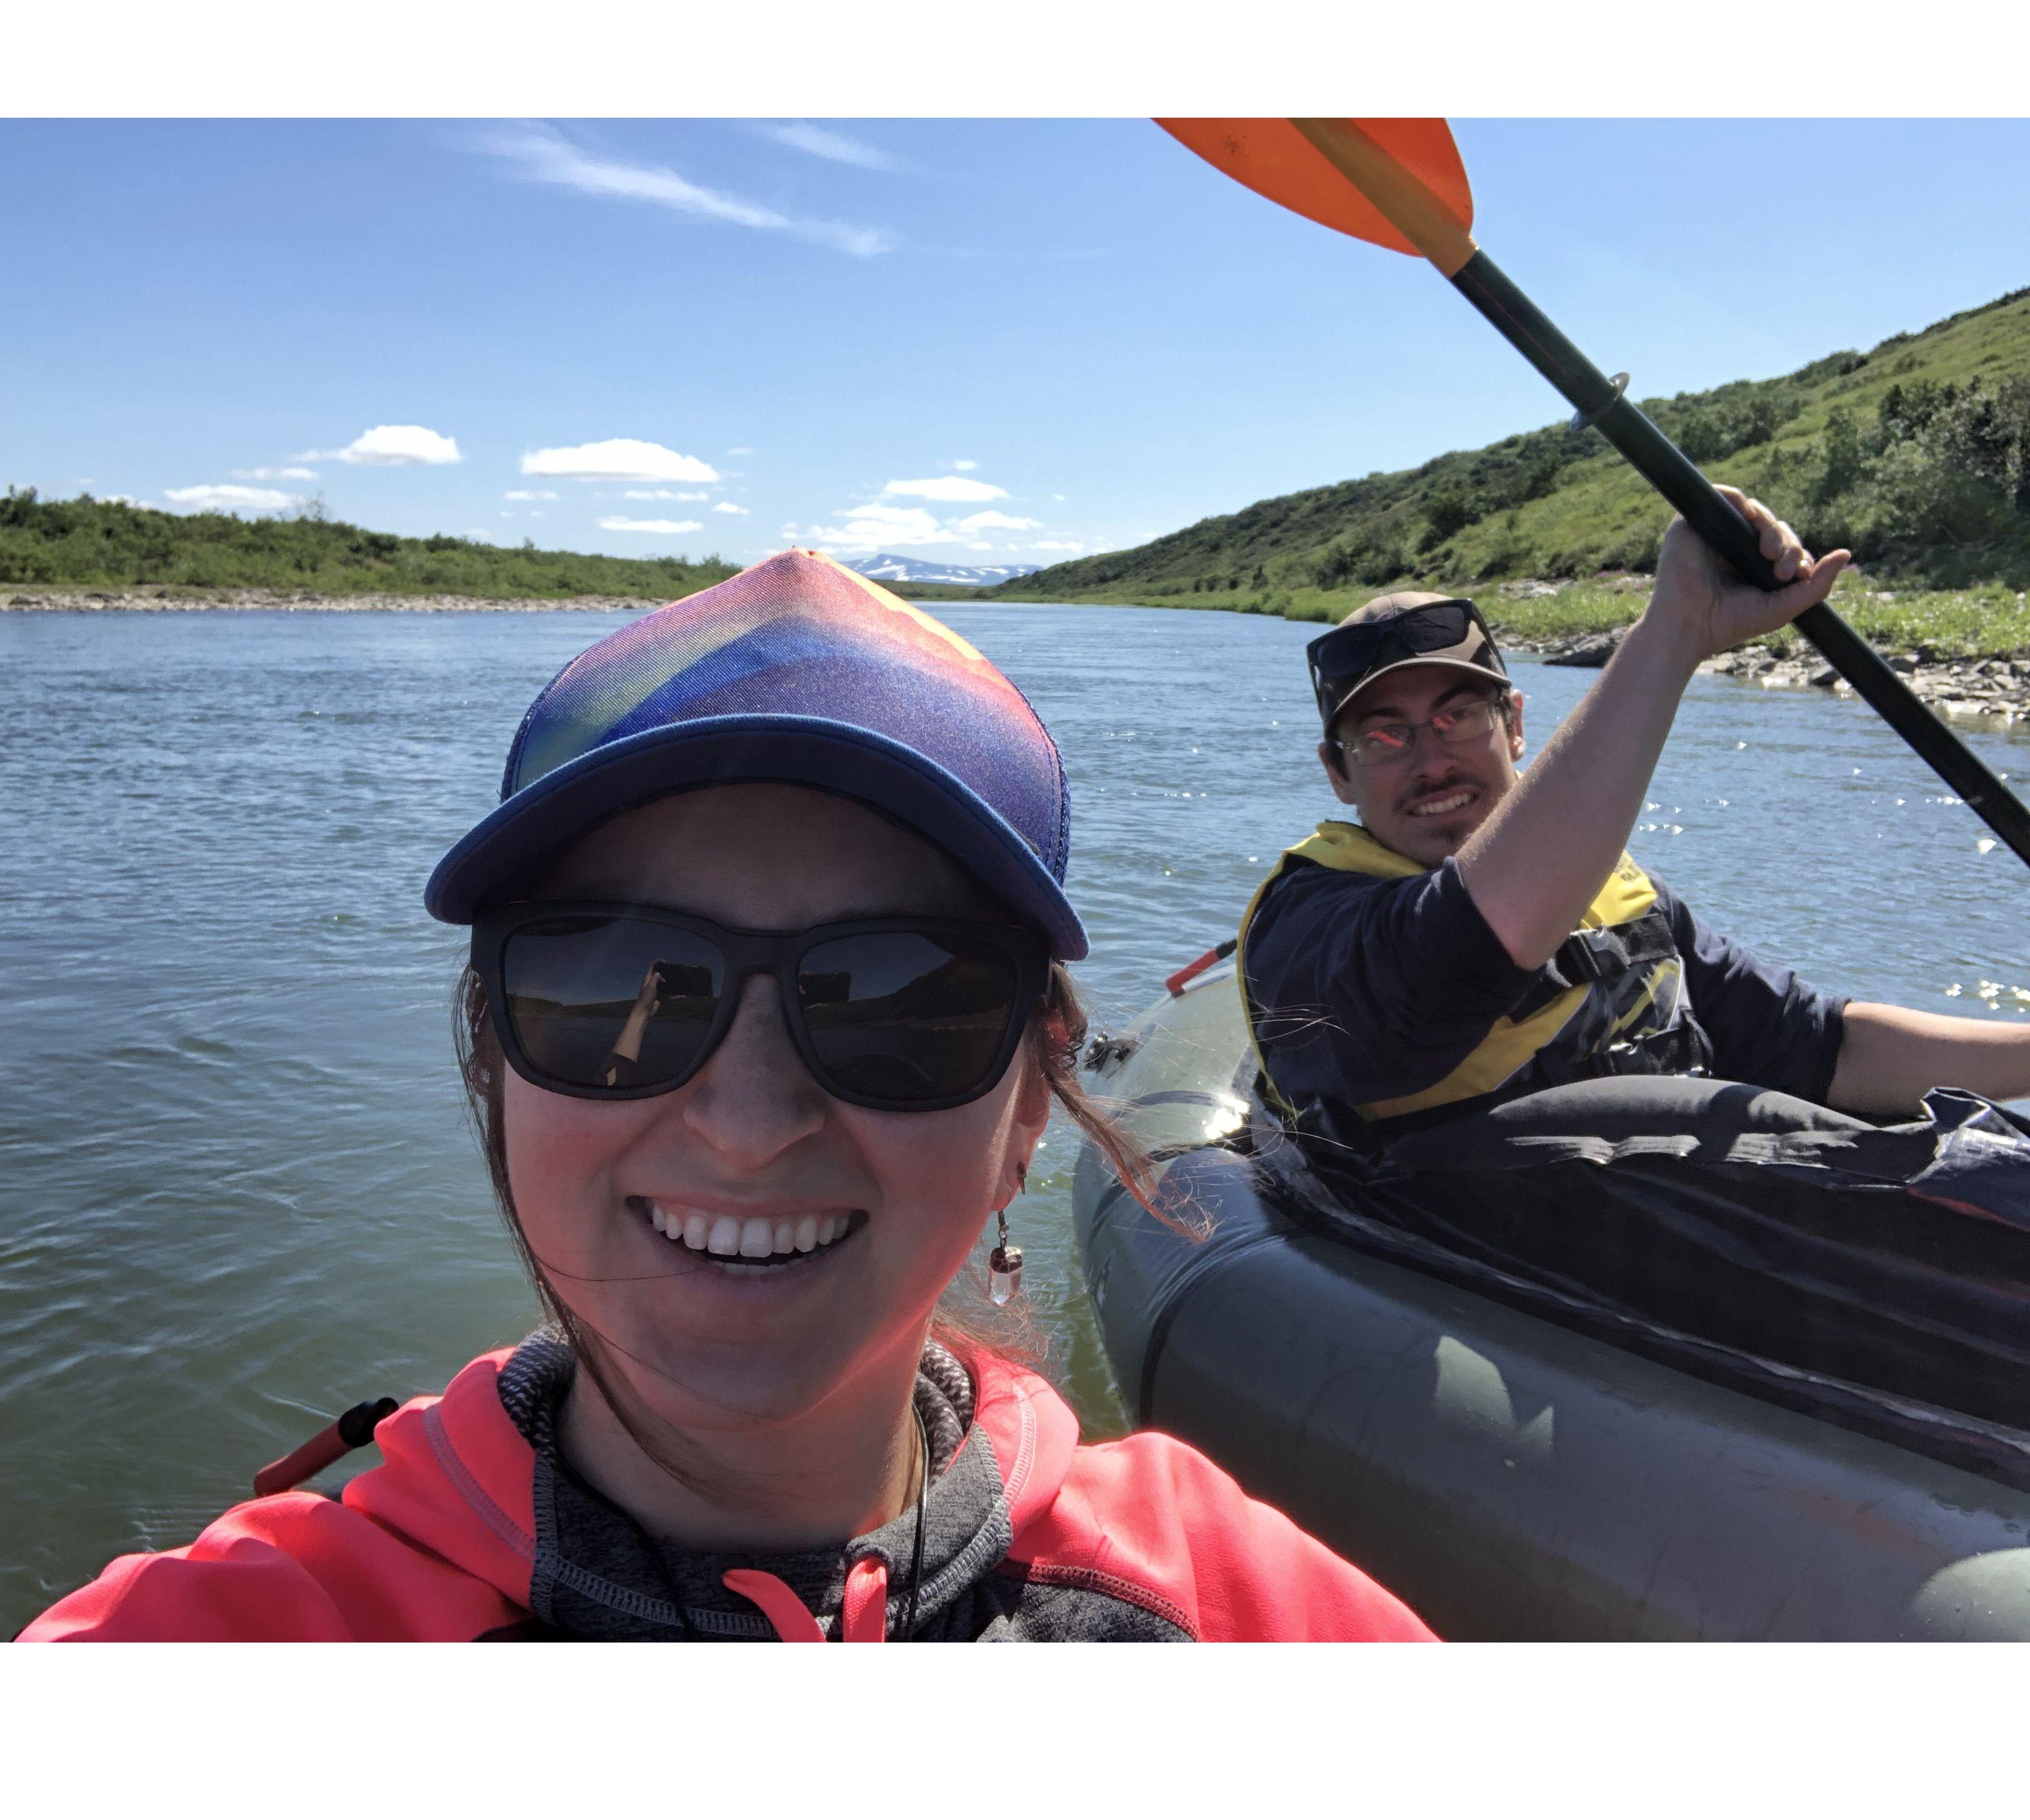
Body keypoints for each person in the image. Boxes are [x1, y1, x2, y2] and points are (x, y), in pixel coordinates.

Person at [23, 549, 1432, 1643]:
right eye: (615, 985)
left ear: (1024, 1108)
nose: (749, 1122)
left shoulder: (1234, 1609)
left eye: (899, 1000)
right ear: (493, 1060)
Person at [1239, 489, 2030, 1157]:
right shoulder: (1306, 930)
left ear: (1515, 725)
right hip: (1489, 1276)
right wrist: (1674, 631)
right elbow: (1465, 942)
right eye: (1383, 736)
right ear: (1337, 773)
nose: (1431, 759)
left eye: (1459, 715)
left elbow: (1820, 1047)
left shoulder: (1624, 896)